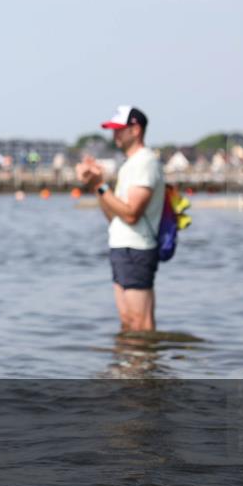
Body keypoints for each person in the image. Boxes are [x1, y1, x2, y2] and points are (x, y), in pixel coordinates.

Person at [76, 106, 164, 333]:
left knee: (140, 324)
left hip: (137, 248)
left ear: (135, 130)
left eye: (119, 129)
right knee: (127, 322)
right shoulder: (130, 164)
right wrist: (97, 185)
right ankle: (129, 368)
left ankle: (144, 367)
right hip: (122, 247)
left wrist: (99, 185)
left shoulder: (145, 162)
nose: (114, 135)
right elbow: (114, 217)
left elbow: (131, 214)